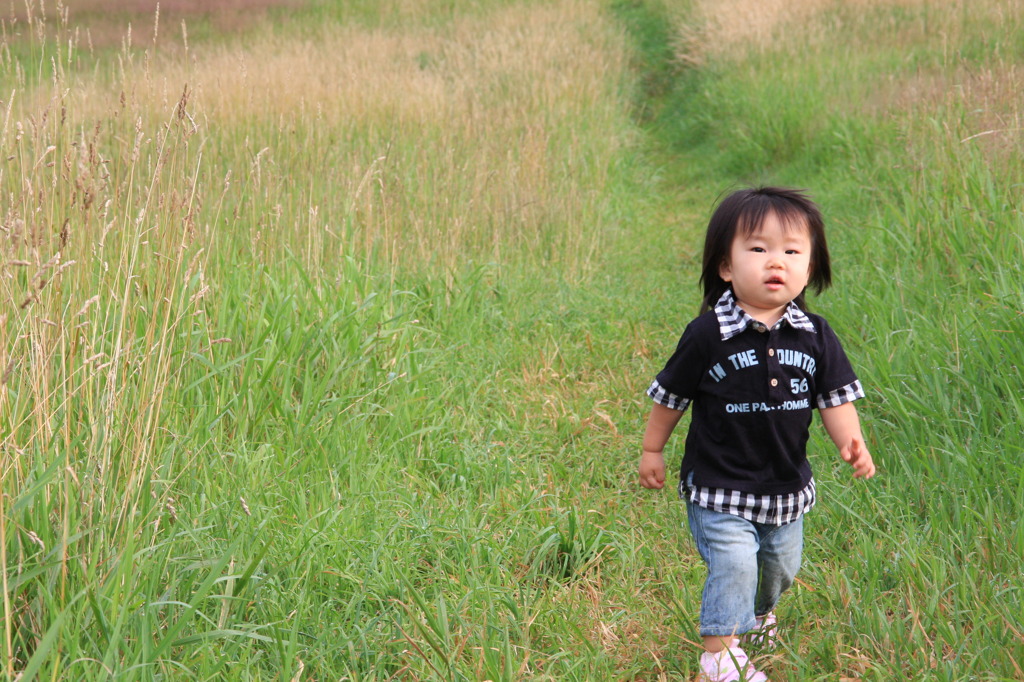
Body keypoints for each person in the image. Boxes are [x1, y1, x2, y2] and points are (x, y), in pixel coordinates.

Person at [638, 187, 876, 682]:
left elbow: (835, 400)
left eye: (792, 251)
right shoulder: (707, 335)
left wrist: (850, 441)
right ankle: (719, 654)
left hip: (786, 487)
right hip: (719, 486)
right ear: (726, 266)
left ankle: (761, 616)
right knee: (736, 563)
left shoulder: (815, 334)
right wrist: (652, 448)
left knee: (779, 569)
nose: (777, 261)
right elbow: (671, 397)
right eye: (759, 248)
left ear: (809, 267)